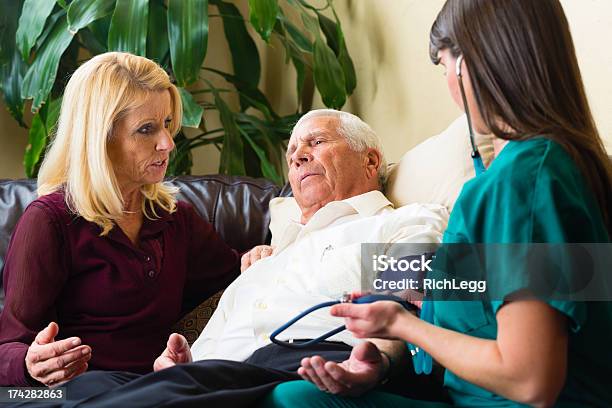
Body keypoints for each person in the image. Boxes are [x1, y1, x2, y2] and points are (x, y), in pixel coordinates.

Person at [264, 0, 612, 407]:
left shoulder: (525, 178)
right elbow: (513, 298)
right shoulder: (559, 166)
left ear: (472, 63)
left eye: (444, 64)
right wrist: (391, 350)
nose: (448, 82)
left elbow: (529, 378)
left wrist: (404, 325)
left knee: (292, 400)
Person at [28, 110, 450, 407]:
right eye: (292, 152)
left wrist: (378, 362)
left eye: (317, 143)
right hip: (205, 379)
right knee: (57, 391)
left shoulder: (400, 223)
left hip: (299, 361)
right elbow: (205, 360)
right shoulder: (263, 261)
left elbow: (405, 298)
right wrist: (178, 363)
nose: (298, 156)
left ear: (371, 160)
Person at [0, 52, 239, 387]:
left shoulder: (175, 220)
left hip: (159, 387)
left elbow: (240, 285)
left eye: (167, 124)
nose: (167, 143)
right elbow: (8, 345)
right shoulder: (49, 222)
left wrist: (259, 260)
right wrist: (29, 365)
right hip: (77, 391)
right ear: (100, 138)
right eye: (147, 129)